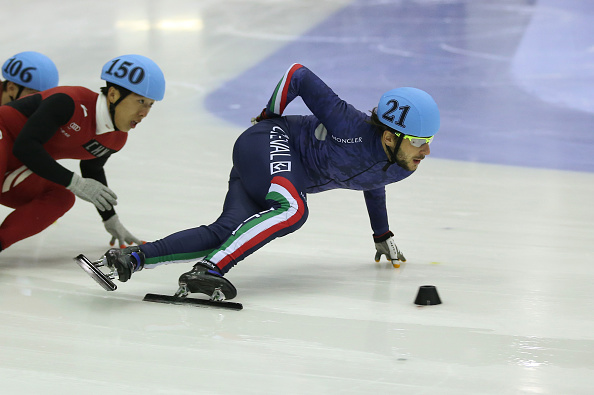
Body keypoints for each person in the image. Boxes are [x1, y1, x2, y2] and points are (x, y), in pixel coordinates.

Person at [102, 63, 439, 301]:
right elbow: (298, 75)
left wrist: (381, 234)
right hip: (268, 140)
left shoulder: (401, 166)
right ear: (391, 136)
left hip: (268, 172)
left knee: (224, 234)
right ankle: (210, 270)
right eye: (419, 140)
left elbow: (372, 180)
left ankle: (133, 258)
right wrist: (268, 114)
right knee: (293, 209)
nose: (425, 150)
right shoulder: (349, 125)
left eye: (430, 140)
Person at [0, 54, 165, 252]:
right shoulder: (70, 102)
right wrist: (75, 182)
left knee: (62, 197)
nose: (144, 113)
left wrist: (110, 218)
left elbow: (92, 169)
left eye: (150, 105)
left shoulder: (115, 139)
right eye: (140, 101)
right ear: (113, 95)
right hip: (5, 138)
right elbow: (25, 146)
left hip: (18, 167)